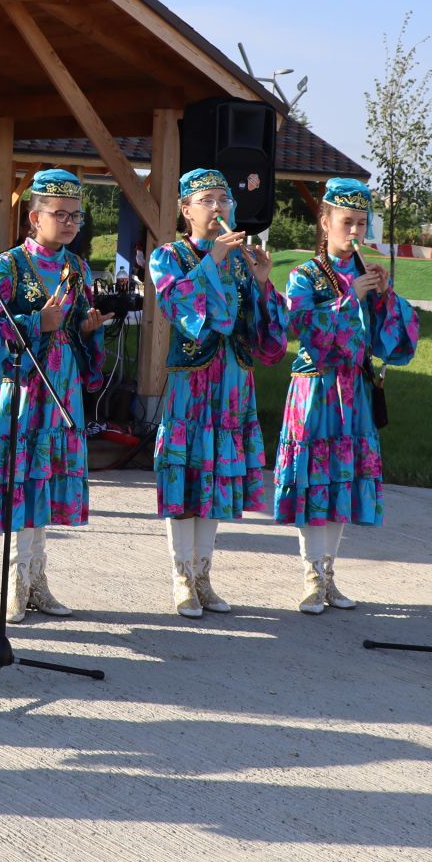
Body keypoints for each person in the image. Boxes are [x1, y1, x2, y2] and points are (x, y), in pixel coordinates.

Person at [272, 178, 420, 614]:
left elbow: (389, 339)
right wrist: (346, 300)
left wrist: (385, 295)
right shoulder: (305, 274)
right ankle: (310, 576)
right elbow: (296, 326)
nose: (354, 231)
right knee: (313, 479)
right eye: (346, 222)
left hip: (352, 391)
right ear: (325, 222)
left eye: (361, 223)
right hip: (315, 388)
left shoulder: (366, 274)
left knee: (340, 481)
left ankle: (329, 574)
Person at [0, 169, 109, 622]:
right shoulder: (7, 266)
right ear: (34, 217)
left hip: (62, 386)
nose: (69, 223)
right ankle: (15, 582)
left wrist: (86, 329)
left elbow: (75, 324)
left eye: (76, 216)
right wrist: (36, 325)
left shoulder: (79, 267)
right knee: (22, 481)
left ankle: (37, 581)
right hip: (23, 390)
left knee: (45, 480)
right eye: (59, 214)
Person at [148, 168, 287, 618]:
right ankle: (181, 579)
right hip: (192, 386)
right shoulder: (168, 256)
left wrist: (264, 282)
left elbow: (265, 335)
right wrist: (212, 261)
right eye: (206, 200)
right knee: (186, 478)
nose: (217, 208)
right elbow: (177, 304)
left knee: (214, 483)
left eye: (224, 201)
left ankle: (204, 576)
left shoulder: (243, 263)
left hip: (232, 385)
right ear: (186, 210)